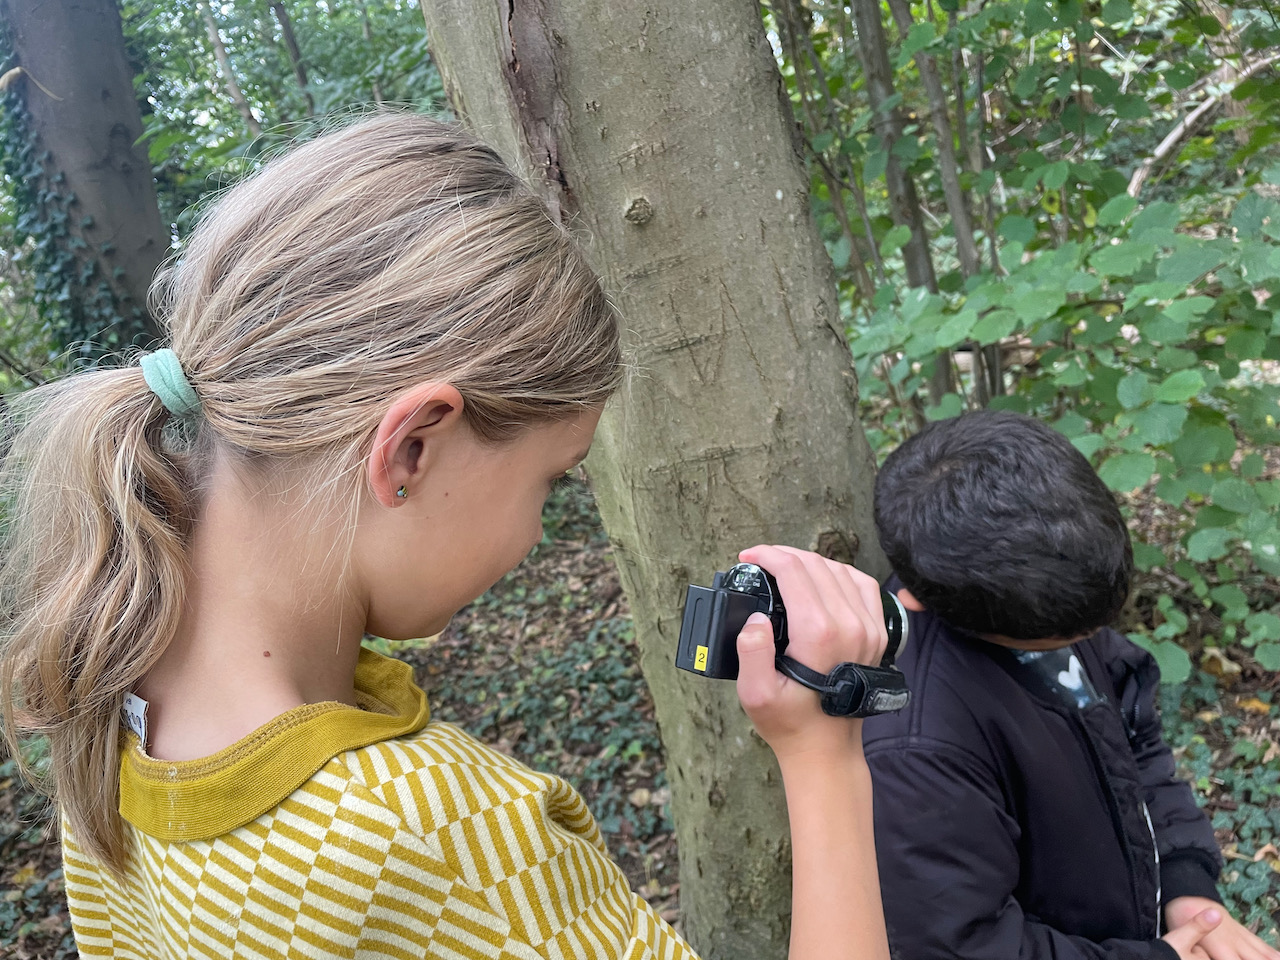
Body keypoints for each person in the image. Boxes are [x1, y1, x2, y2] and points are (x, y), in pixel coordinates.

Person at [0, 115, 891, 960]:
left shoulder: (101, 685)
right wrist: (824, 756)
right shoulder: (432, 842)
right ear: (412, 449)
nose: (536, 532)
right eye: (551, 479)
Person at [865, 410, 1279, 960]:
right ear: (921, 601)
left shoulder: (1038, 588)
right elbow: (963, 945)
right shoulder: (917, 748)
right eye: (1064, 637)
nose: (1090, 641)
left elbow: (1135, 744)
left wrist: (1184, 887)